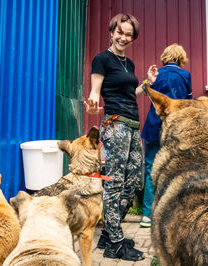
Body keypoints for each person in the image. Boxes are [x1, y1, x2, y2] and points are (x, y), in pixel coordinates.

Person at [84, 13, 155, 262]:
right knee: (114, 184)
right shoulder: (102, 59)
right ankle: (115, 242)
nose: (123, 37)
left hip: (133, 125)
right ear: (111, 32)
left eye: (128, 34)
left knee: (134, 181)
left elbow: (129, 92)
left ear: (132, 38)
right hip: (116, 126)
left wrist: (146, 84)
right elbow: (95, 92)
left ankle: (107, 235)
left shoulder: (129, 64)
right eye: (120, 32)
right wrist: (92, 103)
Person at [140, 43, 193, 228]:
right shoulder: (185, 75)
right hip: (174, 130)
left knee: (150, 169)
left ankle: (147, 215)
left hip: (154, 127)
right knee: (175, 170)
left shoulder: (156, 75)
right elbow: (187, 104)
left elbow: (148, 95)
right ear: (181, 58)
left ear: (165, 57)